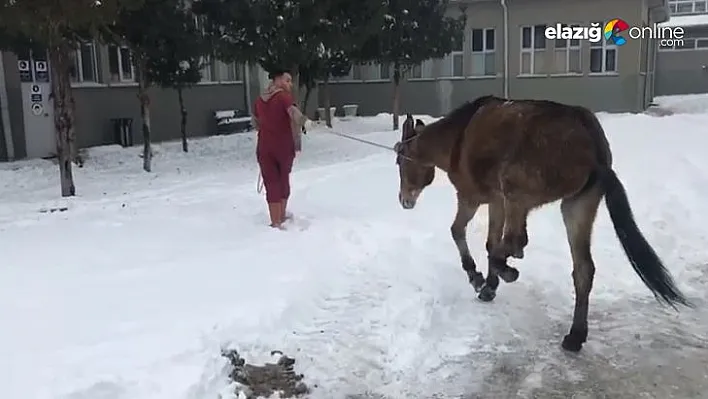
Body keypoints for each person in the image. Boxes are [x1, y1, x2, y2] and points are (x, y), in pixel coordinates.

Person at [251, 69, 308, 229]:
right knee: (283, 181)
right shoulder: (283, 97)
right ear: (277, 80)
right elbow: (294, 113)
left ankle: (275, 220)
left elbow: (255, 123)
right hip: (283, 147)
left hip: (264, 148)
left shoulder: (259, 101)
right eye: (287, 80)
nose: (290, 84)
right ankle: (280, 217)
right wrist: (305, 122)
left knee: (271, 182)